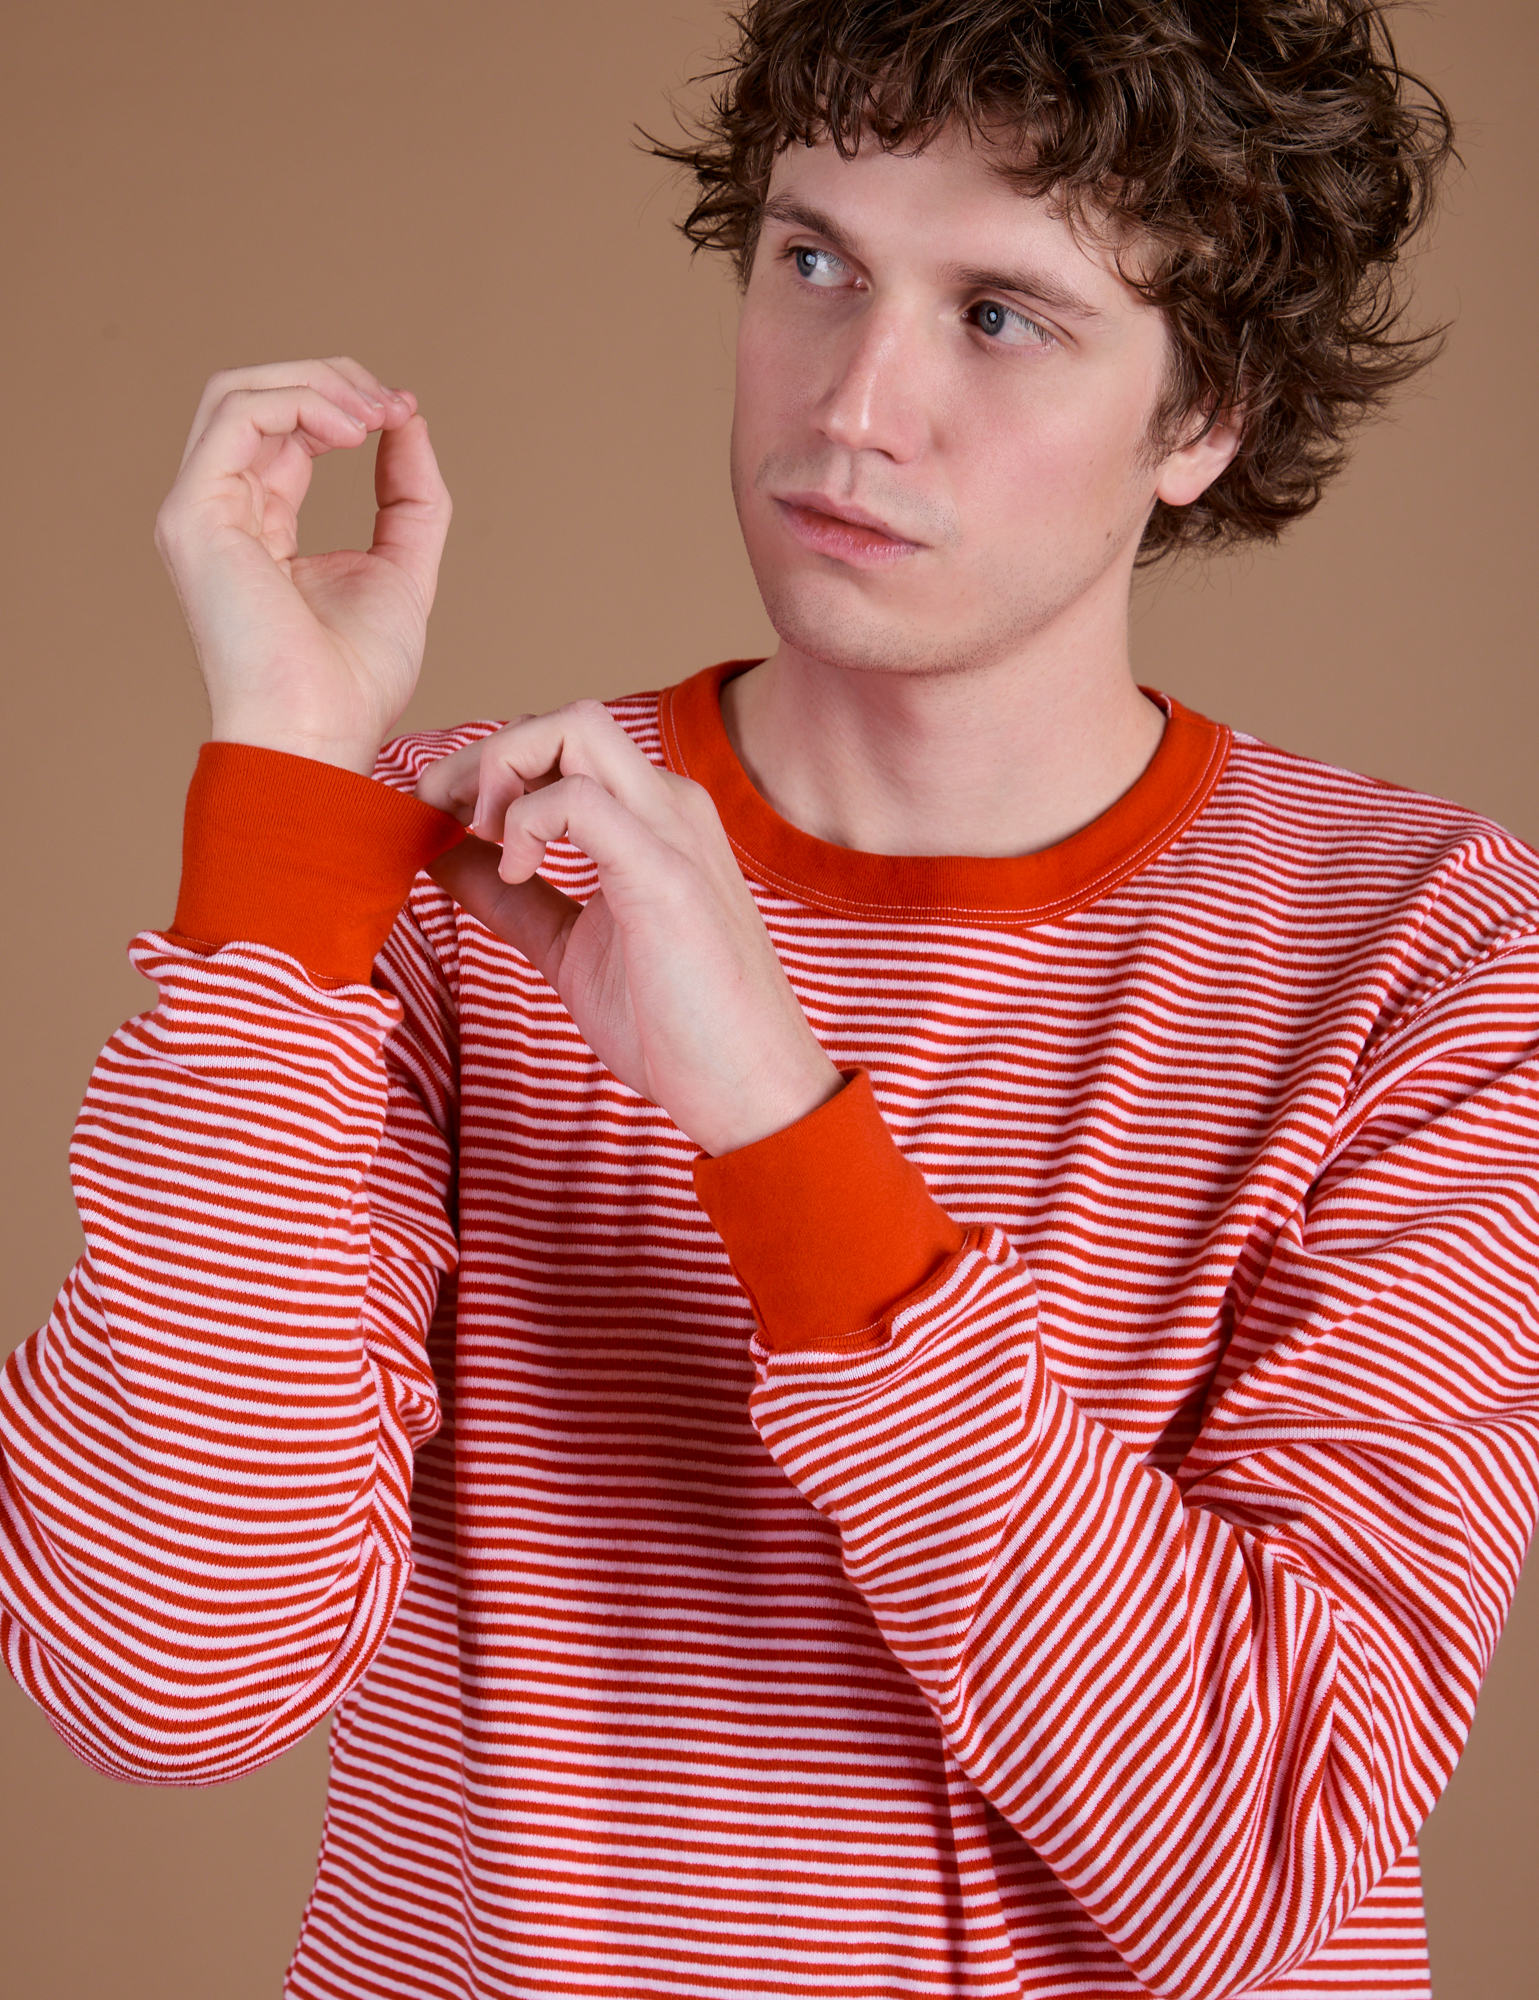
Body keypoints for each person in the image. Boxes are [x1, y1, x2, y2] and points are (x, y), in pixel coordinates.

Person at [1, 2, 1531, 1996]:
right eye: (815, 264)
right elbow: (160, 1674)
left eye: (1001, 314)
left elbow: (1253, 1874)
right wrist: (287, 790)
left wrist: (778, 1129)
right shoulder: (440, 865)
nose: (855, 404)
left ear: (1201, 418)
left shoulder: (1428, 948)